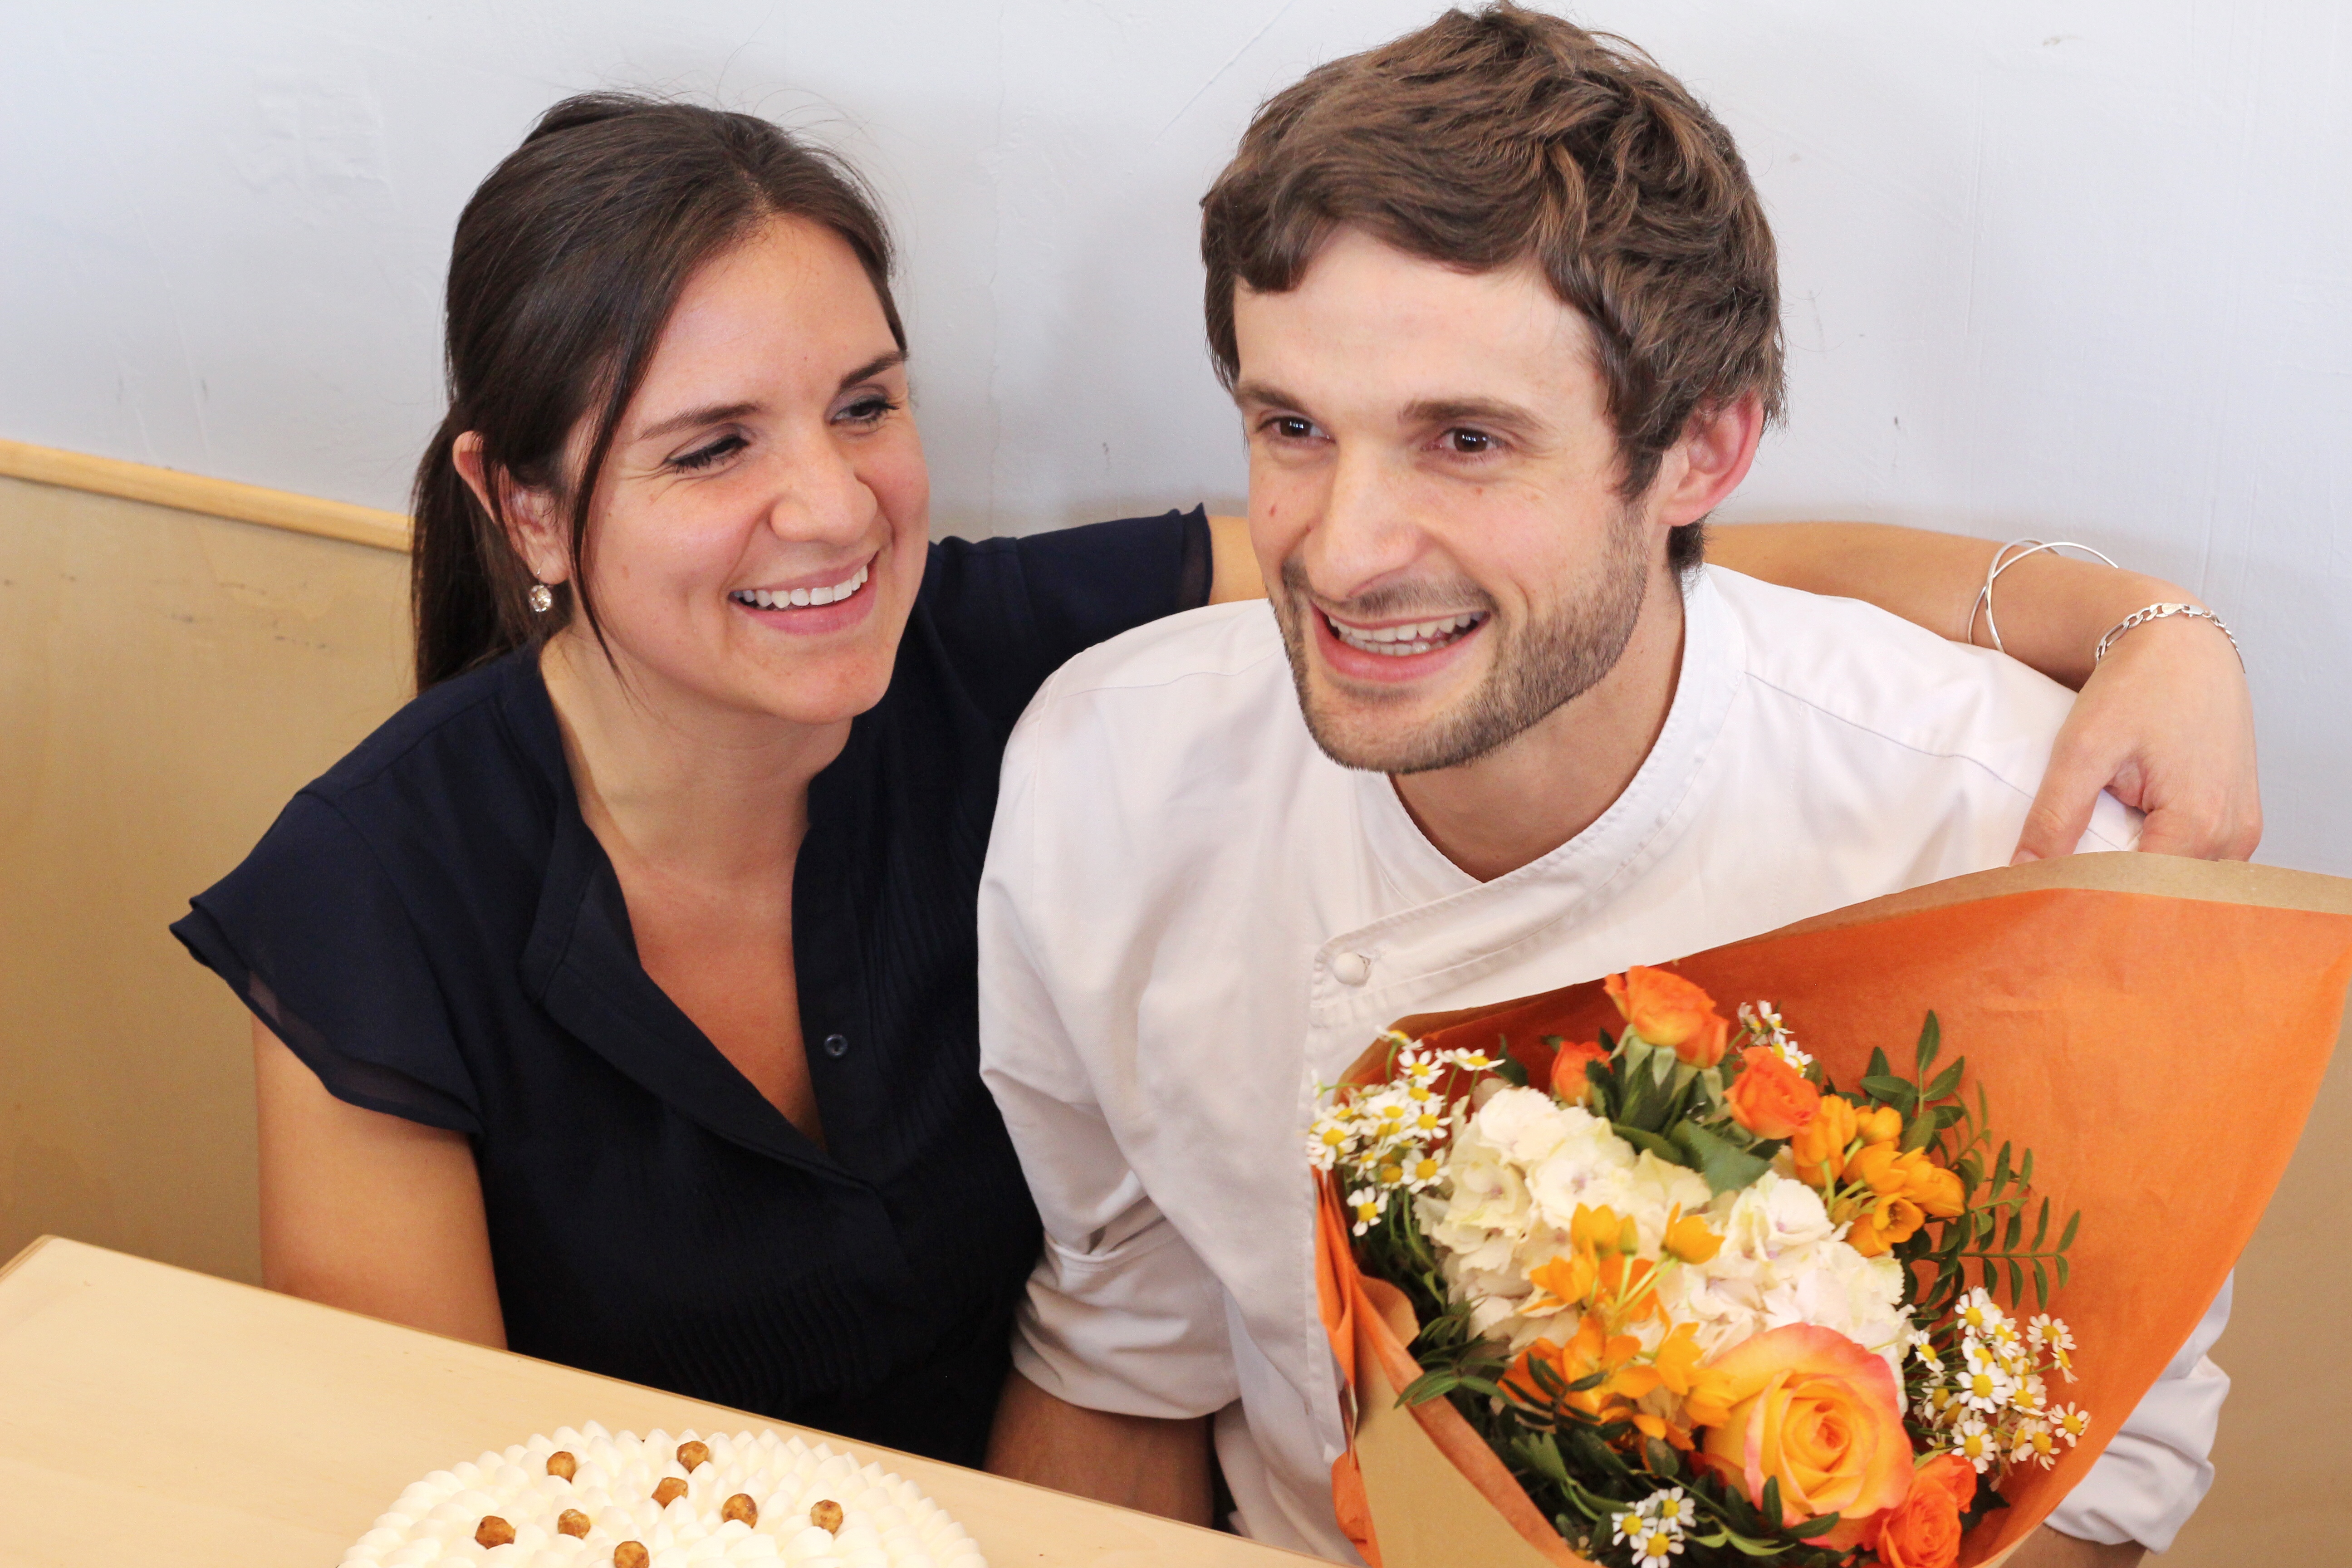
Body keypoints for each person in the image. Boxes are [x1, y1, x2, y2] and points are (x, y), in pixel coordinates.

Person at [172, 93, 2240, 1470]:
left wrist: (2143, 621)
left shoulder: (993, 654)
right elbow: (444, 1489)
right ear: (519, 504)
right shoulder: (389, 886)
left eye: (868, 405)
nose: (829, 505)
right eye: (707, 448)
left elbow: (1601, 579)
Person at [976, 9, 2231, 1565]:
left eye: (1467, 441)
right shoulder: (1111, 781)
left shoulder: (1988, 831)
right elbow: (1125, 1357)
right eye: (1292, 427)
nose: (1344, 550)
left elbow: (2091, 1500)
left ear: (1702, 453)